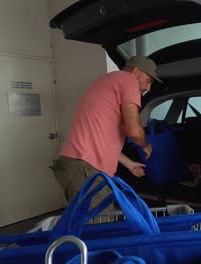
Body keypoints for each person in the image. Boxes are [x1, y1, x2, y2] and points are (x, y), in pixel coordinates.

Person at [51, 56, 162, 206]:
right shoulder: (128, 80)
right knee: (100, 223)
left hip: (78, 166)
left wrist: (130, 164)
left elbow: (102, 141)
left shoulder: (107, 81)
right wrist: (146, 146)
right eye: (149, 81)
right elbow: (134, 131)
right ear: (136, 71)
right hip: (85, 169)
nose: (148, 88)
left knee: (87, 223)